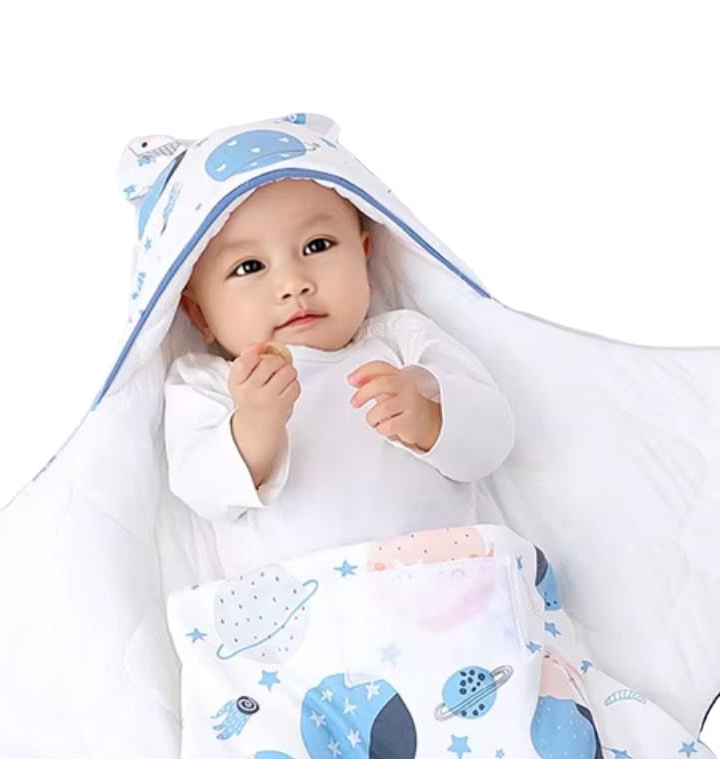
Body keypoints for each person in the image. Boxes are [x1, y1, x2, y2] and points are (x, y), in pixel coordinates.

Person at [164, 177, 516, 578]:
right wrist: (254, 423)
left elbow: (493, 442)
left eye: (317, 245)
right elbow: (203, 492)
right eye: (249, 267)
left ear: (364, 258)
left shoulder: (404, 341)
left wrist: (430, 418)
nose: (293, 284)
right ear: (199, 314)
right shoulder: (207, 383)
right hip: (308, 602)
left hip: (446, 582)